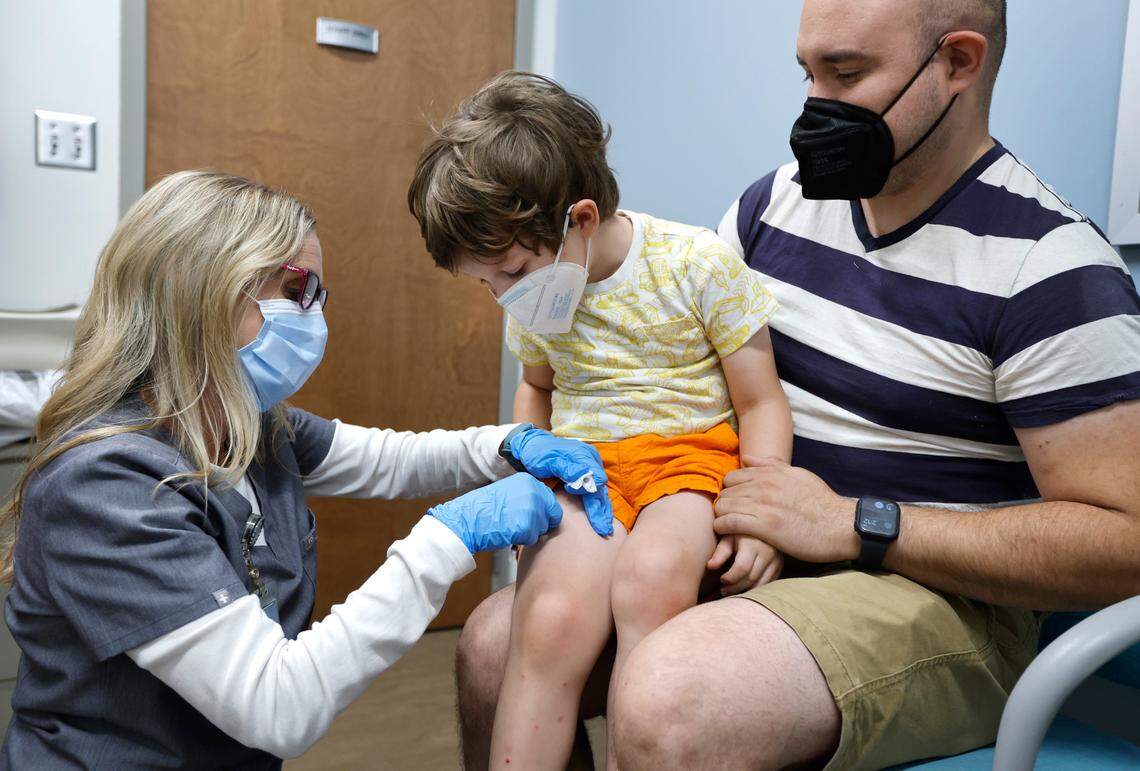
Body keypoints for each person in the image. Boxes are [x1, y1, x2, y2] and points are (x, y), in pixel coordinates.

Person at [454, 1, 1140, 768]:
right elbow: (688, 391)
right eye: (807, 72)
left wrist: (860, 522)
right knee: (490, 644)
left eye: (845, 74)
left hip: (930, 594)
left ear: (959, 63)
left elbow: (1127, 539)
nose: (814, 105)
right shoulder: (769, 208)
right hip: (746, 534)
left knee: (669, 693)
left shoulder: (1049, 268)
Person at [0, 170, 611, 768]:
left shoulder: (244, 424)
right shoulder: (106, 485)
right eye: (296, 290)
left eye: (318, 296)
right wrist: (447, 539)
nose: (314, 320)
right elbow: (278, 706)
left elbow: (384, 459)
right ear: (203, 287)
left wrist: (509, 443)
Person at [407, 72, 792, 768]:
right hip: (587, 469)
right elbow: (535, 390)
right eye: (486, 282)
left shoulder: (695, 263)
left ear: (579, 221)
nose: (503, 295)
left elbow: (762, 400)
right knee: (547, 621)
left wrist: (764, 514)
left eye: (513, 271)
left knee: (651, 579)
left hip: (690, 463)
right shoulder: (537, 297)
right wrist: (532, 476)